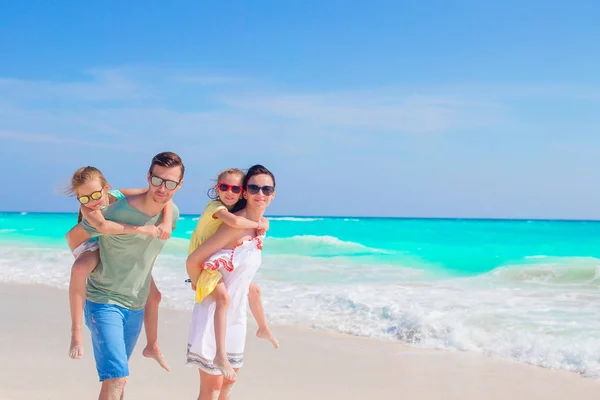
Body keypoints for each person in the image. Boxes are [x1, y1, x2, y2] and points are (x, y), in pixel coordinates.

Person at [65, 152, 183, 400]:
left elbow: (143, 255)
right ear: (148, 177)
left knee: (116, 380)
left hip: (135, 305)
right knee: (117, 377)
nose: (163, 187)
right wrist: (95, 255)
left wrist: (164, 221)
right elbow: (74, 238)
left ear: (179, 185)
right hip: (104, 302)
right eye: (157, 180)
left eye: (170, 182)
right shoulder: (110, 212)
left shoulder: (171, 215)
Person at [186, 164, 276, 400]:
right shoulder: (233, 224)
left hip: (236, 318)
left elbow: (244, 276)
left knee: (226, 388)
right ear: (245, 192)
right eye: (254, 188)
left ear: (273, 194)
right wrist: (198, 286)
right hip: (214, 313)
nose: (260, 194)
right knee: (211, 390)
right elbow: (194, 260)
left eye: (266, 189)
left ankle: (263, 330)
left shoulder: (260, 226)